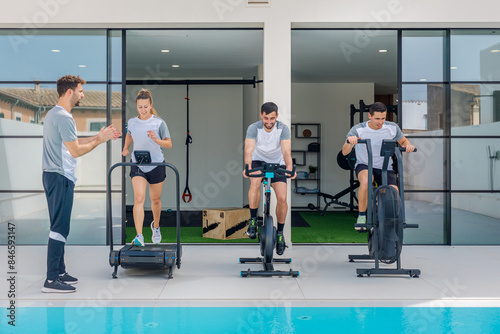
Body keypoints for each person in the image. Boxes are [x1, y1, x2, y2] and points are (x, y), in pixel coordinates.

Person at [42, 75, 121, 293]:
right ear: (69, 92)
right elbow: (76, 151)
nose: (82, 95)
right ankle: (51, 280)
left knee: (59, 225)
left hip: (53, 175)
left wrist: (98, 136)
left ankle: (59, 271)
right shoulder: (64, 117)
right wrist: (99, 141)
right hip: (60, 177)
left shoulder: (53, 114)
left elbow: (71, 145)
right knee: (59, 227)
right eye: (80, 91)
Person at [342, 102, 415, 230]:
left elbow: (403, 141)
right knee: (366, 181)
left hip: (385, 167)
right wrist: (350, 142)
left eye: (383, 118)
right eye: (377, 119)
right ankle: (362, 216)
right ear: (370, 116)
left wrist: (407, 145)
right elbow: (344, 152)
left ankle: (394, 219)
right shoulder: (358, 129)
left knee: (393, 192)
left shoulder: (392, 128)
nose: (380, 122)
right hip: (365, 164)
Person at [242, 102, 296, 255]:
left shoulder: (283, 129)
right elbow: (249, 149)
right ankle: (253, 221)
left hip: (277, 163)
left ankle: (279, 234)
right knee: (254, 183)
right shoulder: (254, 128)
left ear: (276, 116)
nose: (269, 122)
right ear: (261, 116)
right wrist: (247, 166)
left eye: (272, 118)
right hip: (258, 161)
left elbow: (286, 151)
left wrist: (290, 168)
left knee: (283, 198)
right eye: (266, 118)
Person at [122, 89, 172, 247]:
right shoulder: (131, 122)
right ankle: (139, 235)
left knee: (155, 200)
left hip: (156, 164)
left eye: (145, 107)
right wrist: (125, 148)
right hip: (138, 164)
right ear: (136, 106)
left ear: (151, 106)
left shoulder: (159, 123)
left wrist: (156, 139)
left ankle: (156, 227)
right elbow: (129, 134)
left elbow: (169, 144)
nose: (142, 110)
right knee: (139, 198)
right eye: (140, 107)